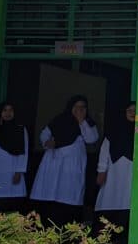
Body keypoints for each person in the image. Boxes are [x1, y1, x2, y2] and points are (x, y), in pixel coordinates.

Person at [30, 95, 98, 226]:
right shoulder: (60, 119)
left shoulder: (88, 122)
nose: (79, 109)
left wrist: (81, 122)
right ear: (71, 107)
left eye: (83, 107)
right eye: (76, 106)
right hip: (53, 159)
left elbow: (91, 139)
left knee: (69, 193)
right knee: (51, 192)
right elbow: (44, 133)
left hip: (73, 162)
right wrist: (47, 142)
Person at [95, 101, 136, 240]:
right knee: (111, 197)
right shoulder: (114, 131)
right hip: (113, 172)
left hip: (133, 171)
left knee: (129, 199)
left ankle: (124, 238)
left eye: (135, 111)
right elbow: (104, 151)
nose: (132, 113)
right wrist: (101, 170)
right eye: (129, 110)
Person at [0, 101, 29, 212]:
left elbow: (24, 151)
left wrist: (19, 171)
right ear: (0, 112)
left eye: (11, 110)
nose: (8, 113)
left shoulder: (20, 129)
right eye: (5, 110)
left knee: (13, 206)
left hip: (13, 172)